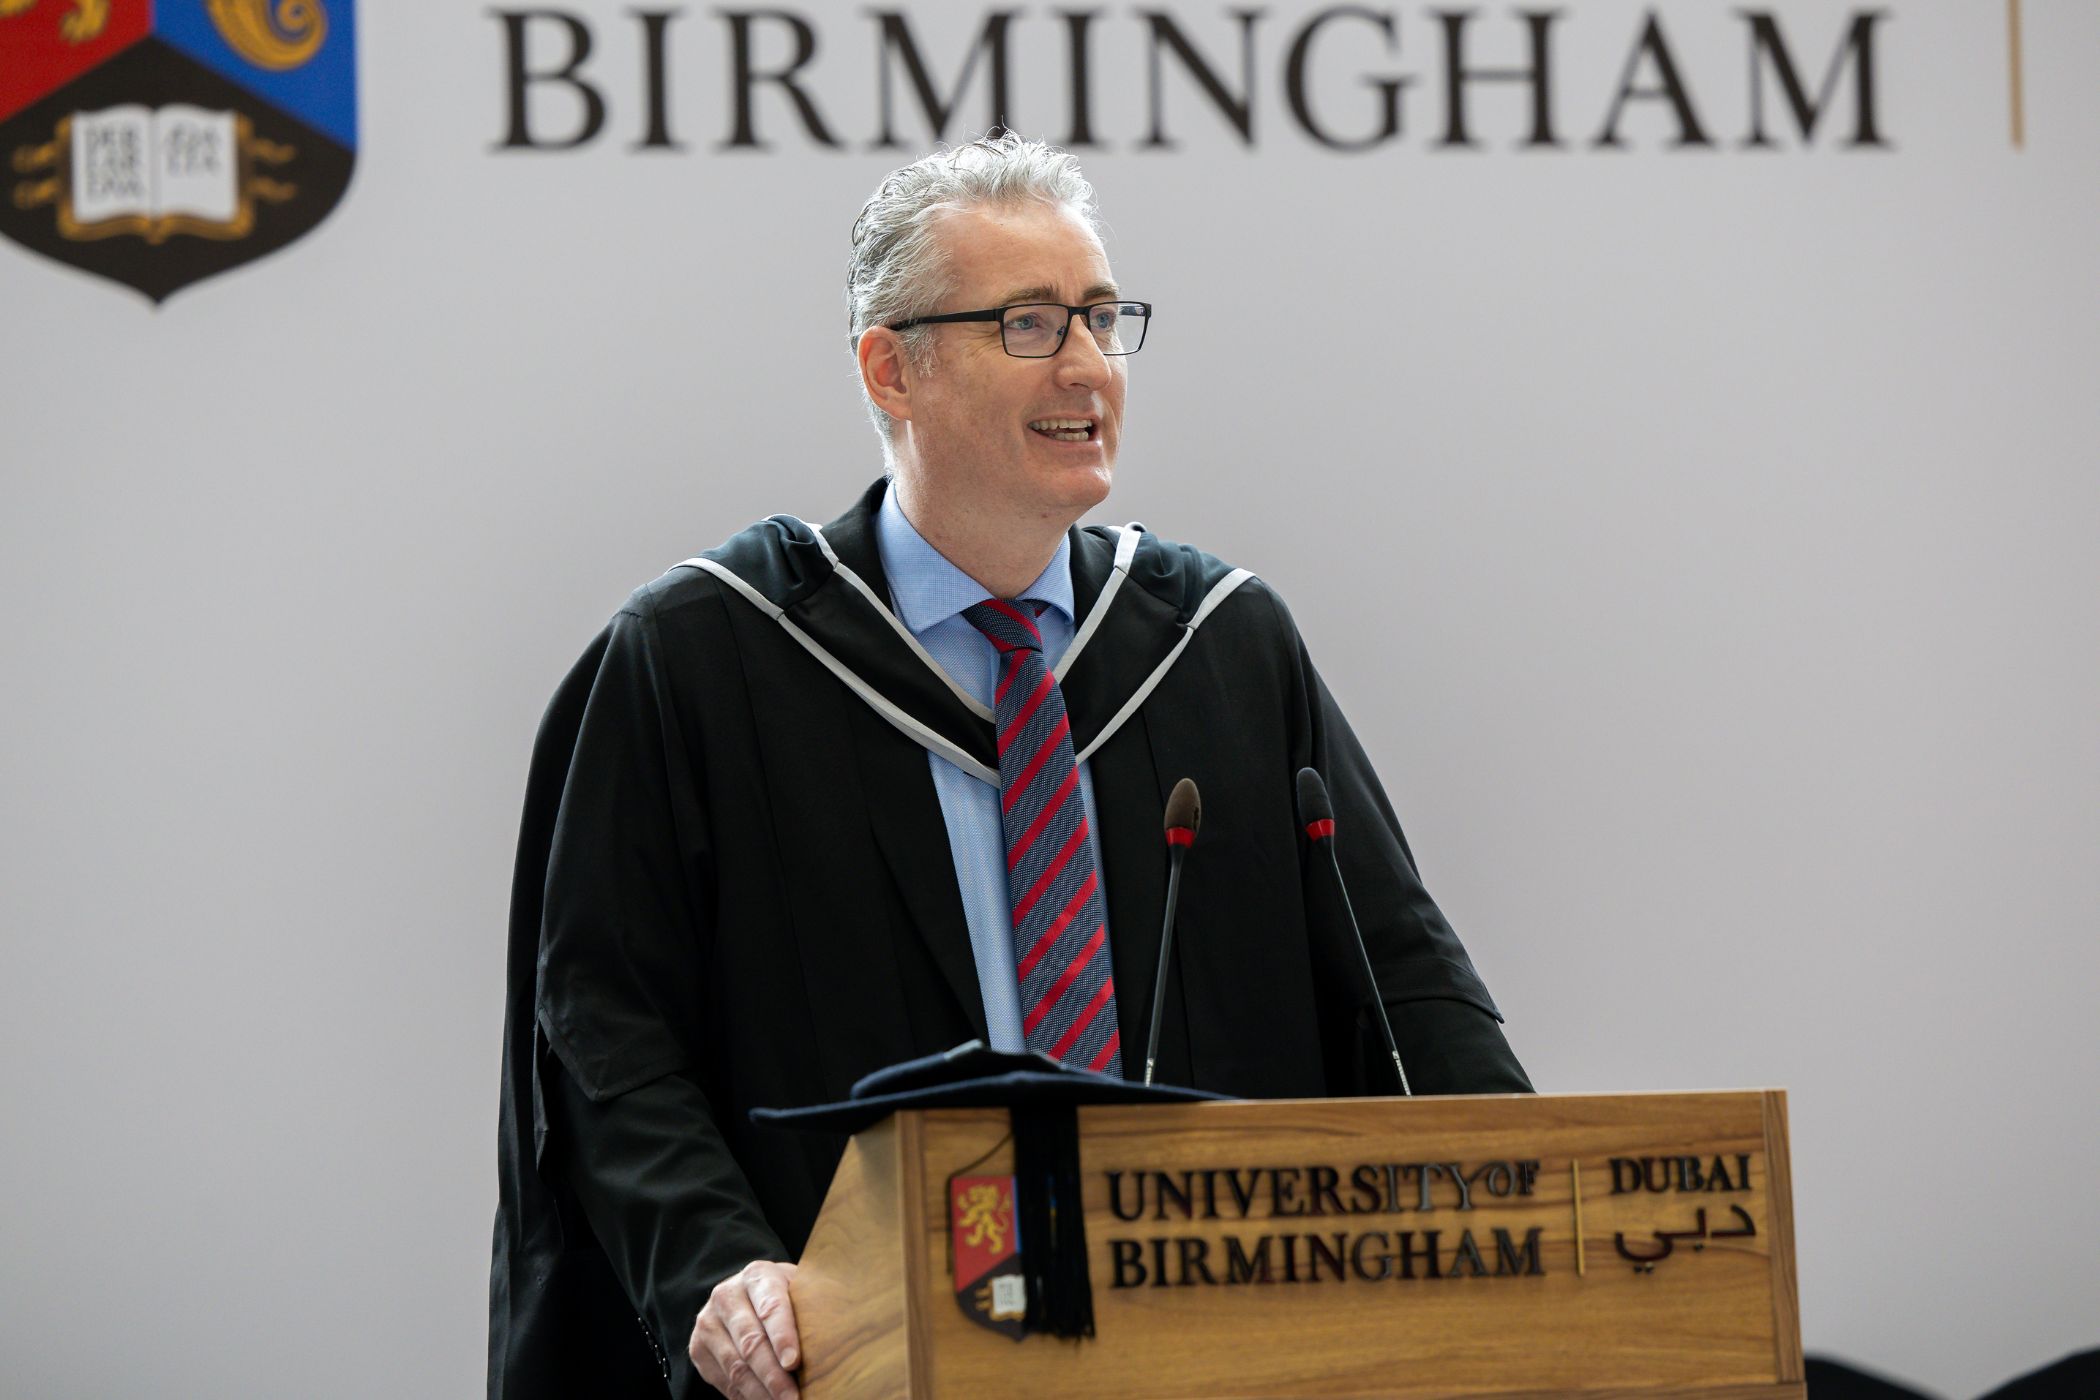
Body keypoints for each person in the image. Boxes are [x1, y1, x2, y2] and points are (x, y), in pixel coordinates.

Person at [488, 133, 1532, 1400]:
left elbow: (1403, 975)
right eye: (1030, 323)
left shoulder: (1215, 643)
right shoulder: (708, 661)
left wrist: (1539, 1196)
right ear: (892, 370)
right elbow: (609, 1037)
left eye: (1101, 317)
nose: (1089, 365)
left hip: (1208, 1343)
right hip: (873, 1357)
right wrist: (726, 1270)